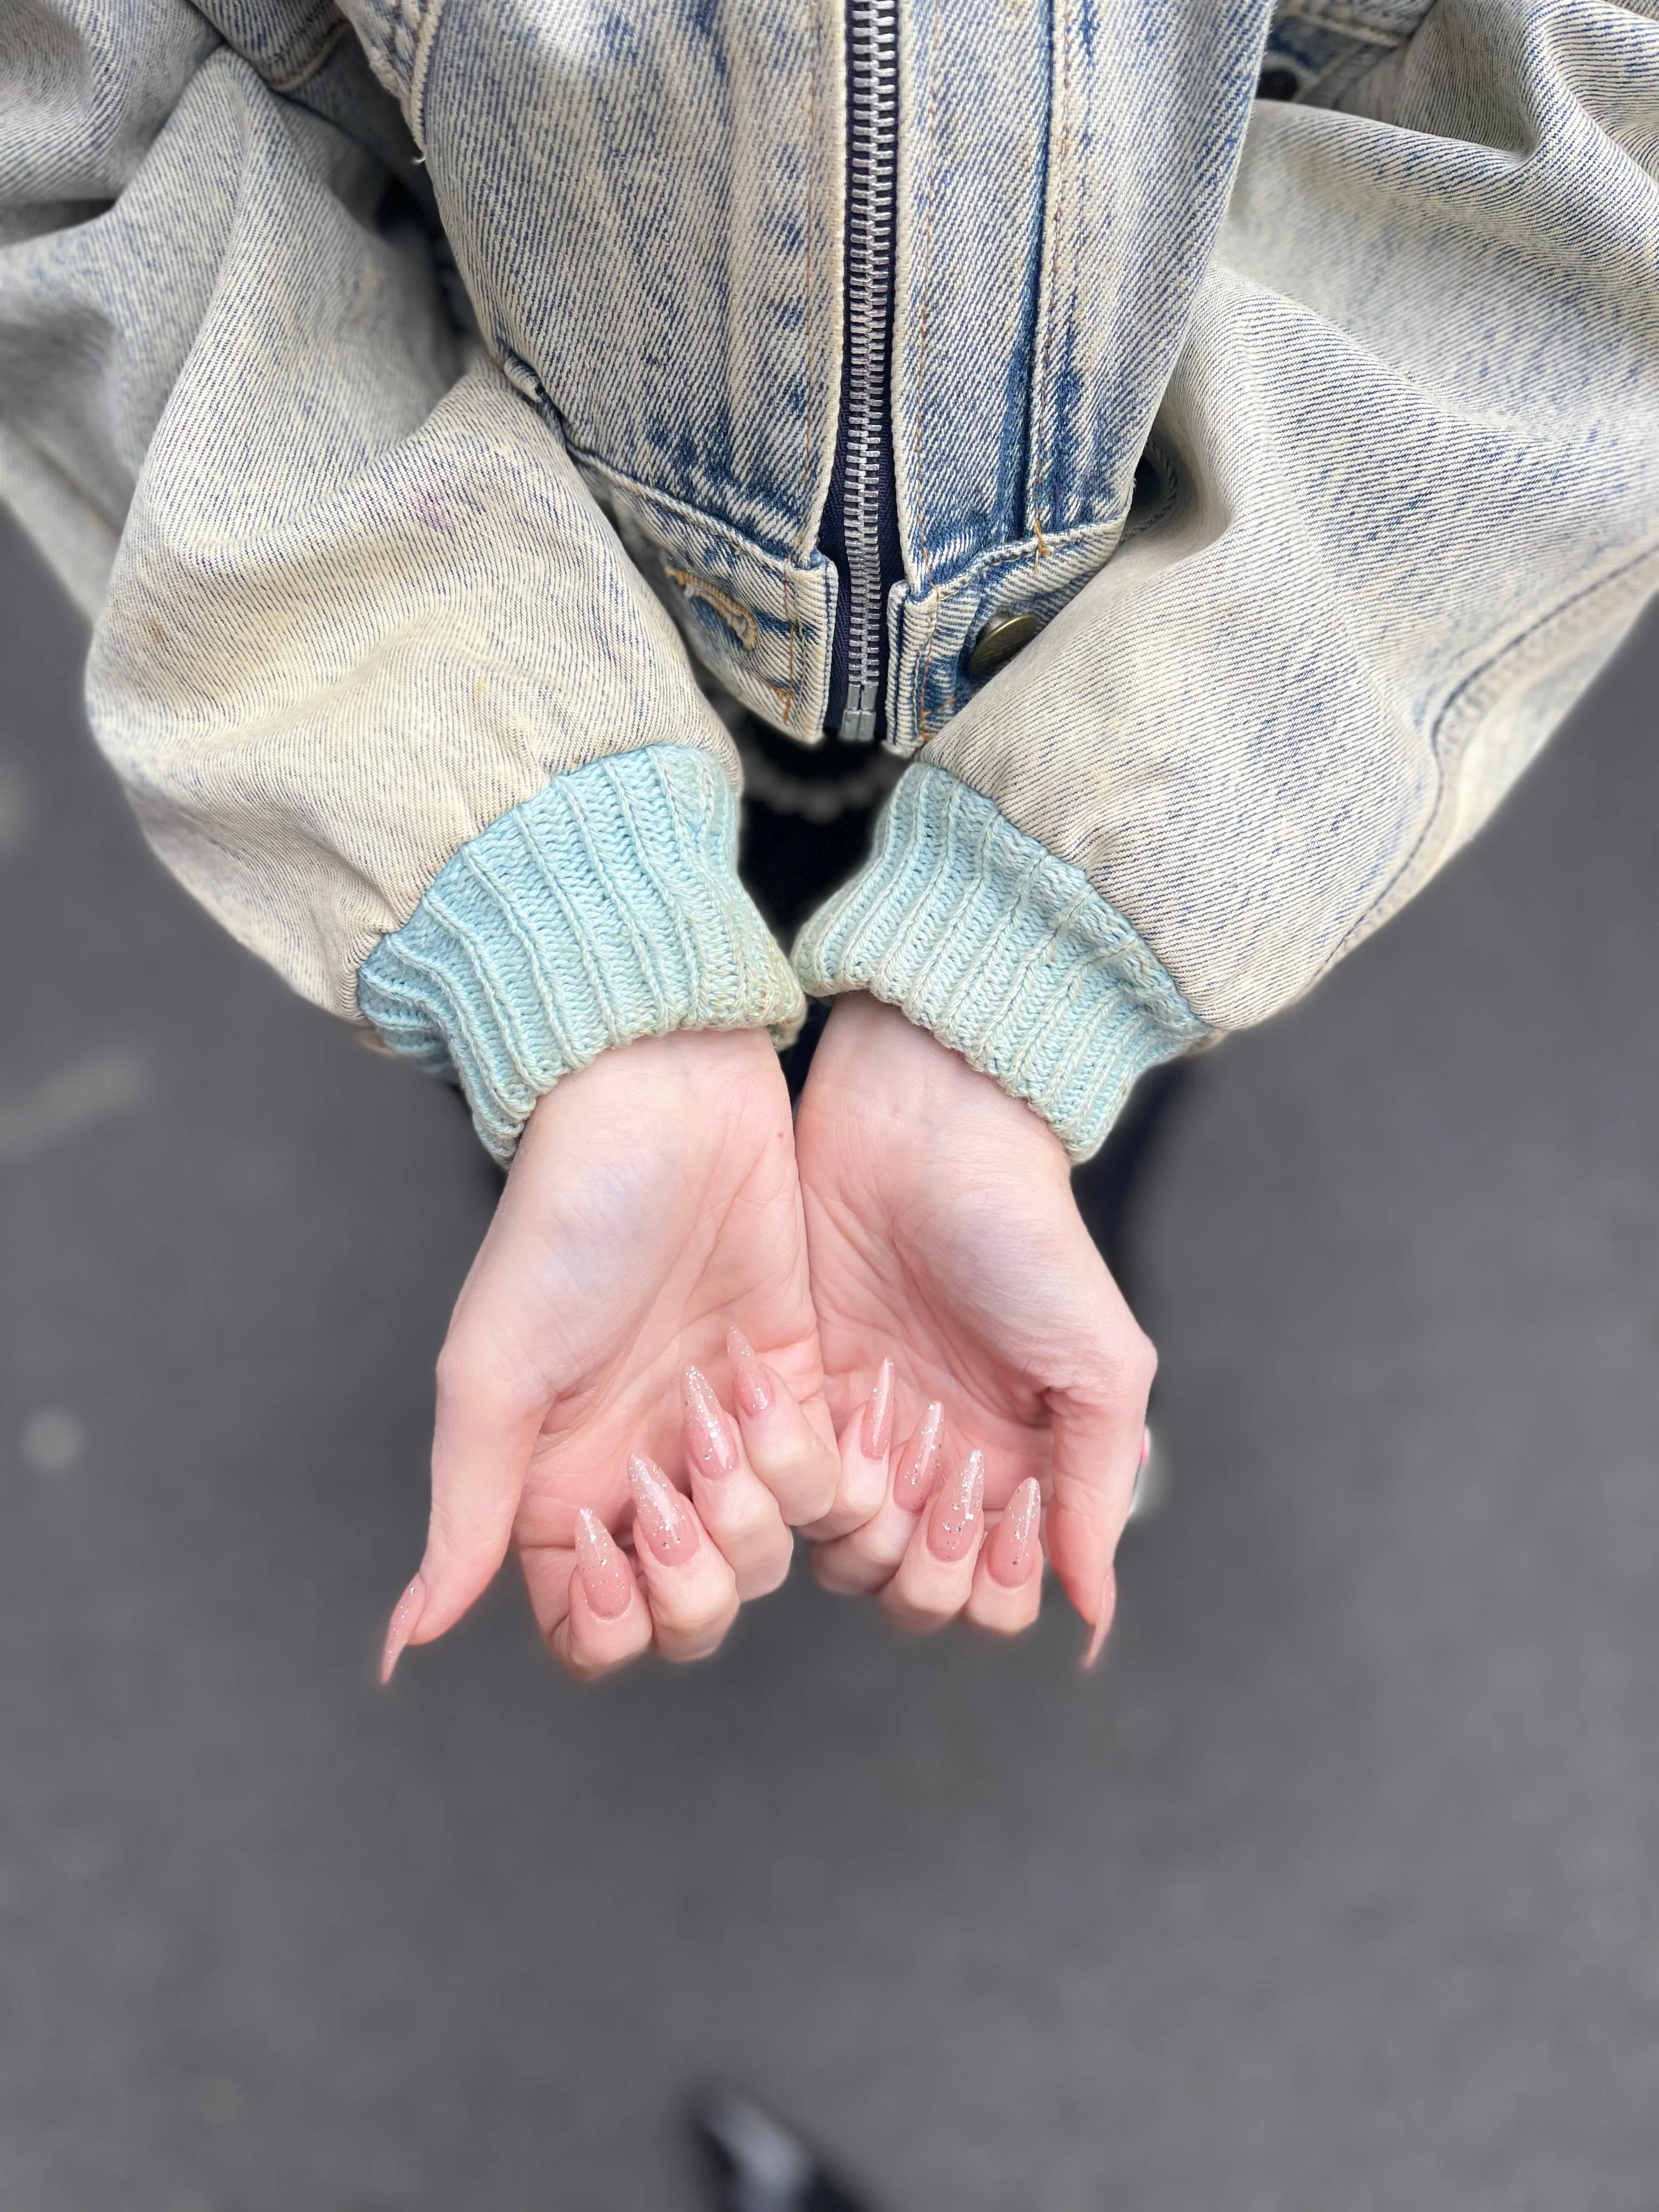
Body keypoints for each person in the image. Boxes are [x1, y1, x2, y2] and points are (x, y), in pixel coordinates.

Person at [3, 0, 1656, 1680]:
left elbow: (1603, 148)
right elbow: (99, 124)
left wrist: (1041, 975)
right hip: (526, 619)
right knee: (540, 1094)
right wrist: (567, 953)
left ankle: (995, 1177)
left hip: (1137, 642)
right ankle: (660, 1160)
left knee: (1087, 1106)